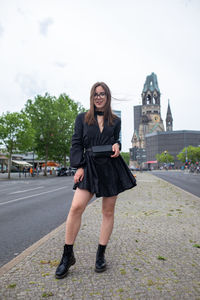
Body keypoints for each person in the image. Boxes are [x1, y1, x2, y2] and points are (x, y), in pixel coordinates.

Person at [55, 82, 136, 279]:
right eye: (95, 94)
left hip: (110, 166)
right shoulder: (82, 118)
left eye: (102, 94)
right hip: (89, 165)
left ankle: (100, 255)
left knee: (107, 212)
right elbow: (76, 143)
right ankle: (67, 256)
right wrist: (79, 166)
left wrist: (117, 144)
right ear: (92, 97)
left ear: (107, 97)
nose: (99, 97)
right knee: (76, 208)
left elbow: (117, 139)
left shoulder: (115, 121)